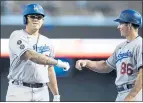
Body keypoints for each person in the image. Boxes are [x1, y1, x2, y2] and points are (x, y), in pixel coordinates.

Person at [6, 4, 70, 101]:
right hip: (19, 90)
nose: (36, 19)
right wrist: (57, 62)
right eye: (32, 16)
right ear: (25, 19)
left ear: (42, 20)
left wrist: (56, 95)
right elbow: (30, 55)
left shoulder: (47, 41)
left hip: (42, 91)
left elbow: (49, 69)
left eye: (39, 17)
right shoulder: (17, 35)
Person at [75, 9, 142, 101]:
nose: (118, 27)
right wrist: (87, 62)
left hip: (136, 93)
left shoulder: (140, 44)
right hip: (121, 93)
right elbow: (106, 66)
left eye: (121, 23)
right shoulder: (120, 47)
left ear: (129, 25)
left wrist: (131, 96)